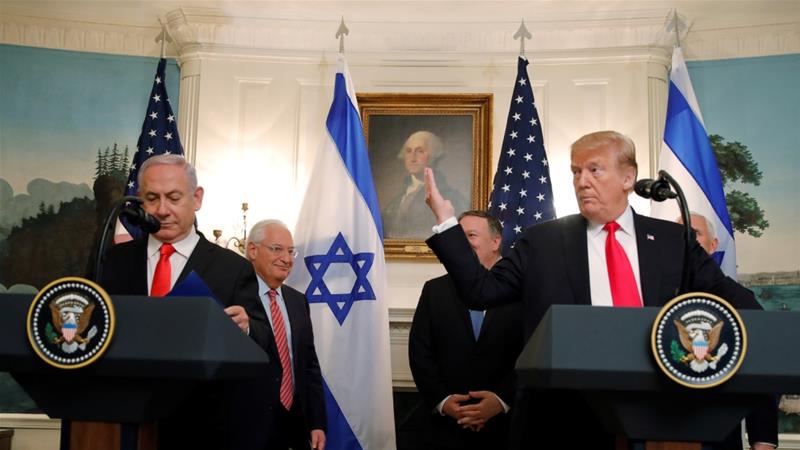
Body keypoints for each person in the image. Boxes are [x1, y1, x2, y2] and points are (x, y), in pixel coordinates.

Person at [422, 130, 777, 449]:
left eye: (595, 170)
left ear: (628, 177)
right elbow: (480, 292)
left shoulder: (671, 241)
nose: (582, 181)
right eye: (576, 171)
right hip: (565, 419)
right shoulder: (543, 241)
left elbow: (739, 306)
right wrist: (446, 221)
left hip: (660, 415)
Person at [98, 154, 271, 449]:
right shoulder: (116, 261)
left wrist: (245, 328)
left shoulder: (232, 268)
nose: (162, 210)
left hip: (201, 427)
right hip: (124, 424)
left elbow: (263, 340)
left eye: (174, 197)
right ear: (139, 199)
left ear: (197, 198)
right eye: (152, 198)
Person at [409, 210, 523, 450]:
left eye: (471, 235)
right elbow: (420, 354)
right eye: (459, 237)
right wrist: (444, 401)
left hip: (506, 428)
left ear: (495, 241)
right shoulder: (434, 291)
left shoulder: (524, 290)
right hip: (445, 429)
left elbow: (532, 352)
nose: (462, 244)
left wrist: (501, 401)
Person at [243, 219, 326, 450]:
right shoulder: (235, 297)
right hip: (249, 427)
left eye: (291, 251)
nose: (287, 259)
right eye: (276, 249)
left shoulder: (298, 301)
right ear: (252, 250)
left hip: (295, 426)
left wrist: (317, 422)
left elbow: (310, 366)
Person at [382, 130, 467, 239]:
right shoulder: (396, 200)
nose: (412, 158)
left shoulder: (450, 197)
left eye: (420, 151)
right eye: (408, 151)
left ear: (433, 156)